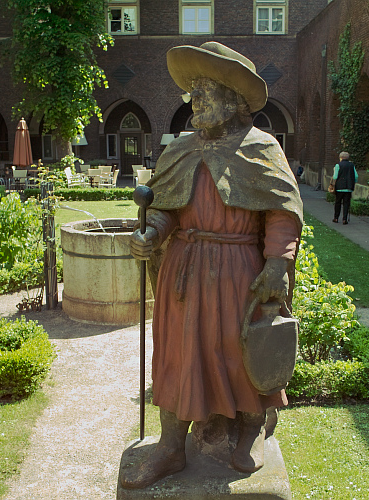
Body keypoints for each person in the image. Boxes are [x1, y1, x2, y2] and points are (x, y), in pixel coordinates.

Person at [123, 42, 302, 489]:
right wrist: (152, 233)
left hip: (240, 269)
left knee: (240, 351)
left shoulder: (261, 148)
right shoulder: (180, 149)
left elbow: (281, 212)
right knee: (177, 356)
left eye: (205, 91)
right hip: (184, 272)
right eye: (193, 92)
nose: (194, 100)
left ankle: (252, 429)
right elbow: (166, 207)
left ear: (236, 101)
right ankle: (169, 447)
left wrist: (278, 264)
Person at [331, 151, 357, 225]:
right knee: (346, 203)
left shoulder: (338, 165)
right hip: (348, 187)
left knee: (338, 202)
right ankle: (344, 219)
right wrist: (353, 182)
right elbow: (356, 176)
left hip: (339, 187)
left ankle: (336, 218)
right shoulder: (352, 165)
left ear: (341, 158)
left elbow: (335, 176)